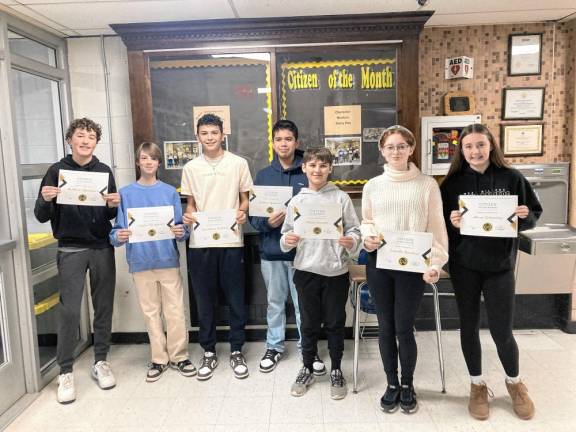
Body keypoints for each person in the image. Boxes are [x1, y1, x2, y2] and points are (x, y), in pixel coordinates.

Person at [440, 123, 541, 421]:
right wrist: (453, 221)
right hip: (464, 266)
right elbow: (440, 226)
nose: (475, 151)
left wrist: (524, 217)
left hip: (499, 267)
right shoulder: (452, 184)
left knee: (501, 330)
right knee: (468, 327)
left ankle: (515, 382)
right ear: (462, 151)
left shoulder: (512, 178)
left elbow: (533, 213)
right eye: (469, 147)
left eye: (480, 145)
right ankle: (477, 385)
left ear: (491, 146)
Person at [361, 125, 448, 414]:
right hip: (380, 265)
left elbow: (436, 229)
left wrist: (435, 263)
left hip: (412, 267)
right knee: (384, 327)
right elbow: (368, 222)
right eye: (390, 147)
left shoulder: (427, 185)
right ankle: (391, 383)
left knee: (403, 328)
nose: (396, 151)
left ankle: (408, 384)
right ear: (382, 151)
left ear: (411, 148)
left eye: (401, 146)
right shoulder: (373, 185)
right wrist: (367, 239)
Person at [34, 118, 120, 404]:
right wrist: (46, 199)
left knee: (103, 306)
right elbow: (41, 215)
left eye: (91, 136)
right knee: (69, 311)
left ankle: (101, 361)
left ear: (97, 142)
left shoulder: (104, 171)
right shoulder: (56, 171)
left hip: (100, 247)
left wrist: (112, 206)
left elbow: (109, 216)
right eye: (80, 136)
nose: (85, 141)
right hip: (69, 249)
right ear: (70, 139)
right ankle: (66, 370)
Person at [110, 142, 196, 382]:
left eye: (153, 158)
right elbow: (116, 232)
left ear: (159, 163)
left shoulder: (169, 191)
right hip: (140, 262)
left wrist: (182, 232)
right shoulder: (126, 194)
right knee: (151, 313)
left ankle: (180, 356)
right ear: (138, 162)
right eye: (144, 158)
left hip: (167, 260)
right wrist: (119, 235)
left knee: (176, 311)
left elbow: (181, 229)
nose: (148, 162)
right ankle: (159, 358)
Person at [280, 147, 361, 400]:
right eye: (312, 165)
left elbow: (356, 231)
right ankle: (306, 367)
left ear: (330, 169)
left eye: (323, 166)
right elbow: (284, 237)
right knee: (308, 323)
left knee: (336, 323)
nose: (318, 170)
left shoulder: (341, 199)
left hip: (335, 271)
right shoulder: (296, 201)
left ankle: (336, 368)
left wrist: (351, 240)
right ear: (304, 168)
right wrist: (289, 240)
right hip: (305, 271)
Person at [249, 120, 325, 375]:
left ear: (297, 142)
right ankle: (274, 346)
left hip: (305, 254)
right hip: (272, 251)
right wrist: (268, 222)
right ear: (272, 143)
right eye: (279, 139)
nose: (283, 143)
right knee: (275, 302)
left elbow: (321, 209)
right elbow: (254, 218)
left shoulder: (308, 172)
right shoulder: (263, 175)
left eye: (288, 139)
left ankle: (308, 348)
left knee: (305, 304)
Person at [181, 113, 253, 380]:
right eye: (204, 133)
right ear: (198, 136)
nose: (209, 138)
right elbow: (191, 204)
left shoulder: (238, 163)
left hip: (231, 239)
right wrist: (188, 216)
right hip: (200, 242)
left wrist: (242, 213)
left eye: (214, 133)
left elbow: (244, 199)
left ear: (223, 134)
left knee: (236, 298)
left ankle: (236, 349)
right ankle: (208, 351)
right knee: (204, 298)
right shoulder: (190, 167)